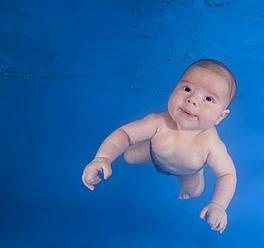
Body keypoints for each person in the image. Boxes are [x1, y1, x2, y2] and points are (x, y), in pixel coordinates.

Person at [82, 59, 237, 234]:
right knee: (128, 156)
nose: (192, 99)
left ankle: (194, 175)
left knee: (195, 192)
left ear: (221, 117)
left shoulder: (211, 144)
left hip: (187, 172)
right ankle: (143, 151)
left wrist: (218, 205)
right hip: (154, 155)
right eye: (187, 89)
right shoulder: (159, 122)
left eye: (208, 98)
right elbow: (125, 133)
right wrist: (103, 158)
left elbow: (227, 174)